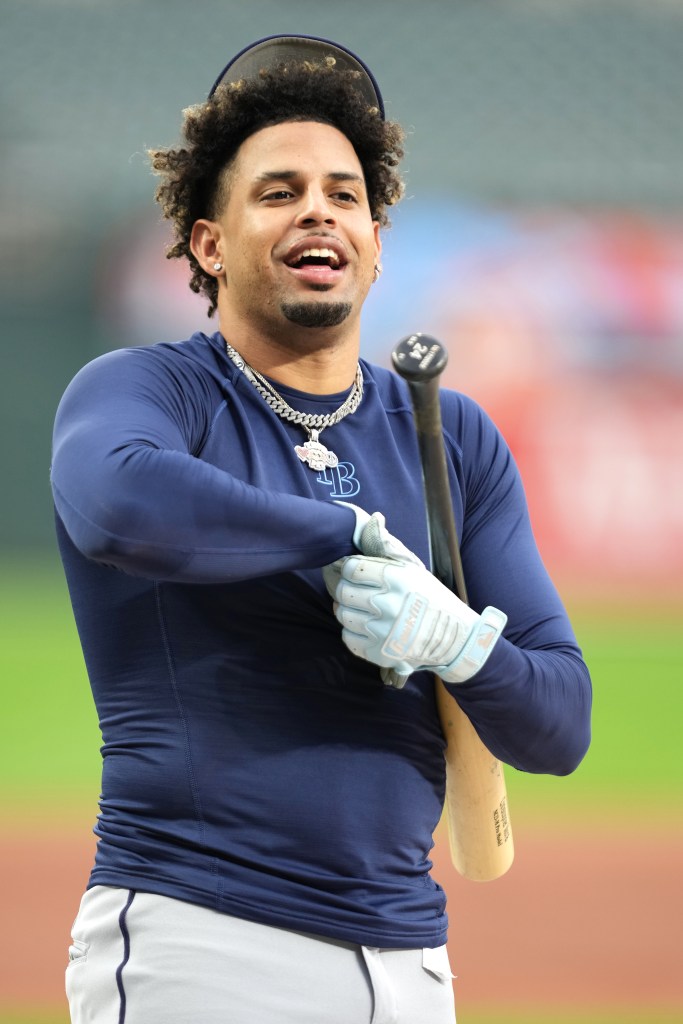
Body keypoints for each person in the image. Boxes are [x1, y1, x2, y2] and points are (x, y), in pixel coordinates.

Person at [51, 34, 592, 1024]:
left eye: (344, 194)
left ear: (376, 242)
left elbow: (560, 723)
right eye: (278, 190)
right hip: (197, 939)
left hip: (410, 961)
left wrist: (459, 644)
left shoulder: (449, 437)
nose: (317, 210)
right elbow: (117, 502)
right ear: (208, 244)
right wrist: (343, 534)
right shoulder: (149, 391)